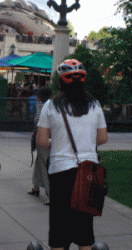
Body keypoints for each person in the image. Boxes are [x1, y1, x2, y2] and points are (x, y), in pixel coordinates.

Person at [36, 59, 108, 250]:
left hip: (61, 172)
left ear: (60, 82)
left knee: (59, 226)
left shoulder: (51, 106)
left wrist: (58, 142)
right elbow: (102, 138)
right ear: (82, 81)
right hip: (88, 173)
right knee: (85, 227)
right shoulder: (95, 105)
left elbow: (41, 141)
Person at [28, 86, 52, 205]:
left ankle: (50, 193)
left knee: (44, 164)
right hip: (40, 134)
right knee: (39, 162)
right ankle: (36, 186)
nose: (35, 96)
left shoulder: (45, 105)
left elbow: (39, 122)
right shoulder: (43, 104)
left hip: (43, 135)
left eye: (37, 94)